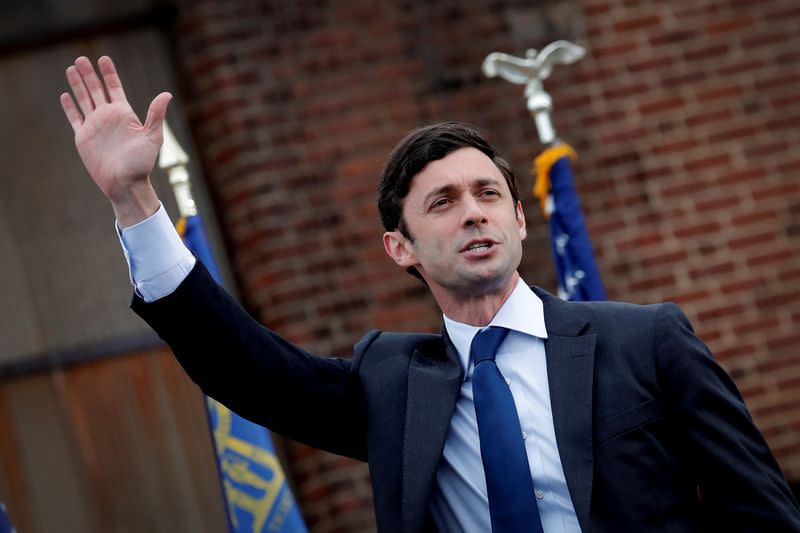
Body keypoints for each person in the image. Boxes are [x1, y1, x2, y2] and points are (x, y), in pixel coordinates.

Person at [60, 56, 800, 533]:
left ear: (517, 217)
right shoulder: (392, 384)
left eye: (487, 193)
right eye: (442, 202)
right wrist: (134, 201)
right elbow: (244, 366)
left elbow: (762, 510)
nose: (473, 210)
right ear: (400, 248)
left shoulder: (647, 340)